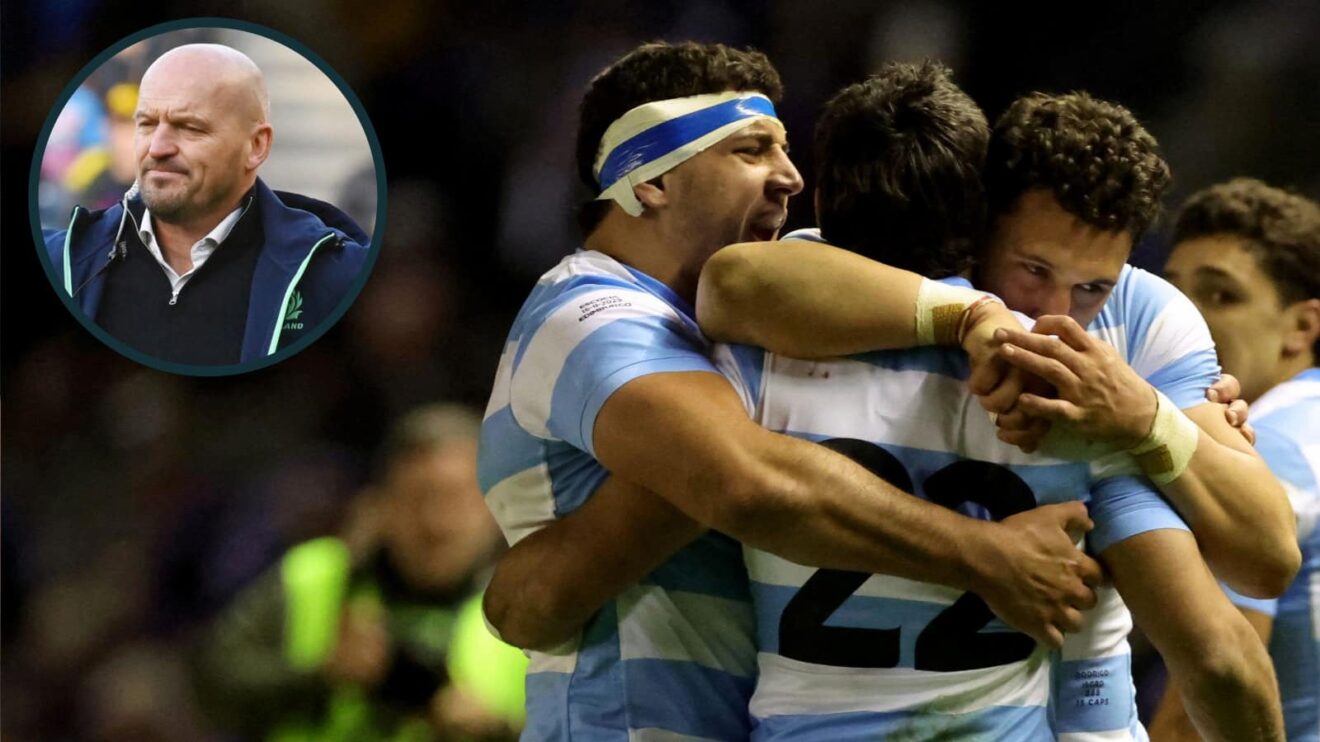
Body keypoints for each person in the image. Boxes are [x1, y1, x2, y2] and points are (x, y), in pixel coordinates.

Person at [486, 63, 1285, 739]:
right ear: (976, 221)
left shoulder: (758, 347)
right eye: (752, 148)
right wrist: (1137, 430)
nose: (1056, 312)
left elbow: (555, 588)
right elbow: (1220, 642)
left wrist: (1148, 420)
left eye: (1090, 288)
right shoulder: (1088, 383)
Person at [193, 405, 525, 742]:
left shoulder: (537, 602)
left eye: (456, 499)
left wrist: (496, 732)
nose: (435, 523)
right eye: (417, 498)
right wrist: (319, 678)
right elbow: (211, 683)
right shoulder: (313, 575)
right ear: (380, 504)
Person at [43, 43, 371, 366]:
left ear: (256, 145)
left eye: (190, 127)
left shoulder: (334, 276)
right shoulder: (63, 260)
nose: (157, 148)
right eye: (146, 124)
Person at [1154, 178, 1320, 742]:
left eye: (1222, 295)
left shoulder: (1261, 451)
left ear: (1302, 326)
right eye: (1171, 294)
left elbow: (1217, 680)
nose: (1183, 322)